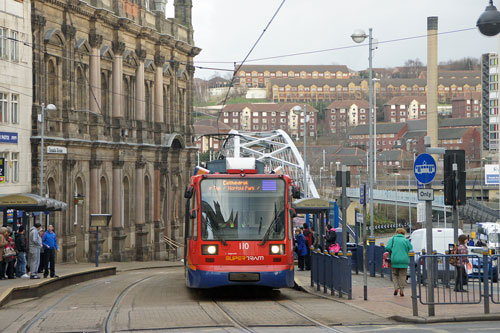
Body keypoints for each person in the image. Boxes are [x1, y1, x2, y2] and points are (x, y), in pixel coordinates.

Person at [385, 228, 413, 297]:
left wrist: (393, 249)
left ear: (396, 232)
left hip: (394, 259)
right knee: (403, 275)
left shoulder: (393, 239)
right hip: (404, 260)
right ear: (403, 233)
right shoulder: (406, 240)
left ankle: (396, 288)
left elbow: (387, 248)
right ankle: (401, 290)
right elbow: (411, 248)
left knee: (394, 274)